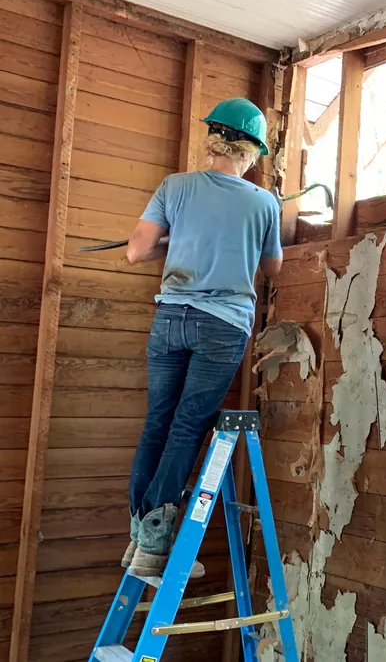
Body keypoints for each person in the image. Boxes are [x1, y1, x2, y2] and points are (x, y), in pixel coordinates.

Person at [122, 97, 283, 577]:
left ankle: (140, 540)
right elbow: (272, 268)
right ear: (252, 150)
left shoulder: (174, 188)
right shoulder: (265, 202)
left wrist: (178, 241)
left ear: (212, 138)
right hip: (223, 325)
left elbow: (136, 252)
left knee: (158, 422)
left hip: (171, 317)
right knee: (188, 426)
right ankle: (152, 546)